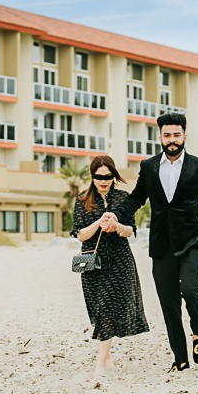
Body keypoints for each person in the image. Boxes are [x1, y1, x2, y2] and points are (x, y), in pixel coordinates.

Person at [120, 112, 198, 373]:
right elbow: (136, 198)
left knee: (190, 290)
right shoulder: (148, 167)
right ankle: (180, 358)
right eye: (167, 135)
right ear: (159, 137)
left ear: (184, 136)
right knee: (168, 302)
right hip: (161, 245)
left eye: (176, 135)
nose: (171, 140)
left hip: (192, 241)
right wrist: (116, 215)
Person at [72, 156, 149, 377]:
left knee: (108, 307)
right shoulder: (82, 199)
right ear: (92, 176)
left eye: (107, 177)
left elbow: (130, 231)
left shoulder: (123, 198)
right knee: (99, 309)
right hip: (92, 262)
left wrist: (116, 226)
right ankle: (107, 355)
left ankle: (100, 364)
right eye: (98, 176)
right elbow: (80, 235)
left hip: (119, 259)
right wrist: (99, 222)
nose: (103, 181)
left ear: (113, 176)